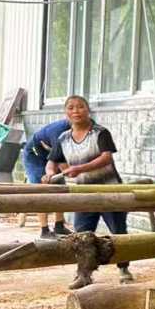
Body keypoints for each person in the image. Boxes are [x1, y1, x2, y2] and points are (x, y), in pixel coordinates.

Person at [45, 96, 133, 284]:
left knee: (117, 232)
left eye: (80, 107)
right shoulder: (63, 138)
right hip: (84, 194)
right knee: (82, 236)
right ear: (66, 113)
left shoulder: (100, 133)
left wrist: (79, 169)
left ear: (88, 110)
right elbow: (53, 160)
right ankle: (84, 275)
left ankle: (124, 269)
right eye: (71, 108)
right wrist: (49, 173)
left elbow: (106, 158)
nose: (76, 111)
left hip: (110, 192)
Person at [22, 118, 73, 239]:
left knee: (61, 187)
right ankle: (44, 230)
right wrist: (74, 173)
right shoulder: (58, 131)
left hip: (50, 153)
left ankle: (59, 226)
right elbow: (61, 162)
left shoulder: (83, 129)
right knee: (41, 189)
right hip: (35, 155)